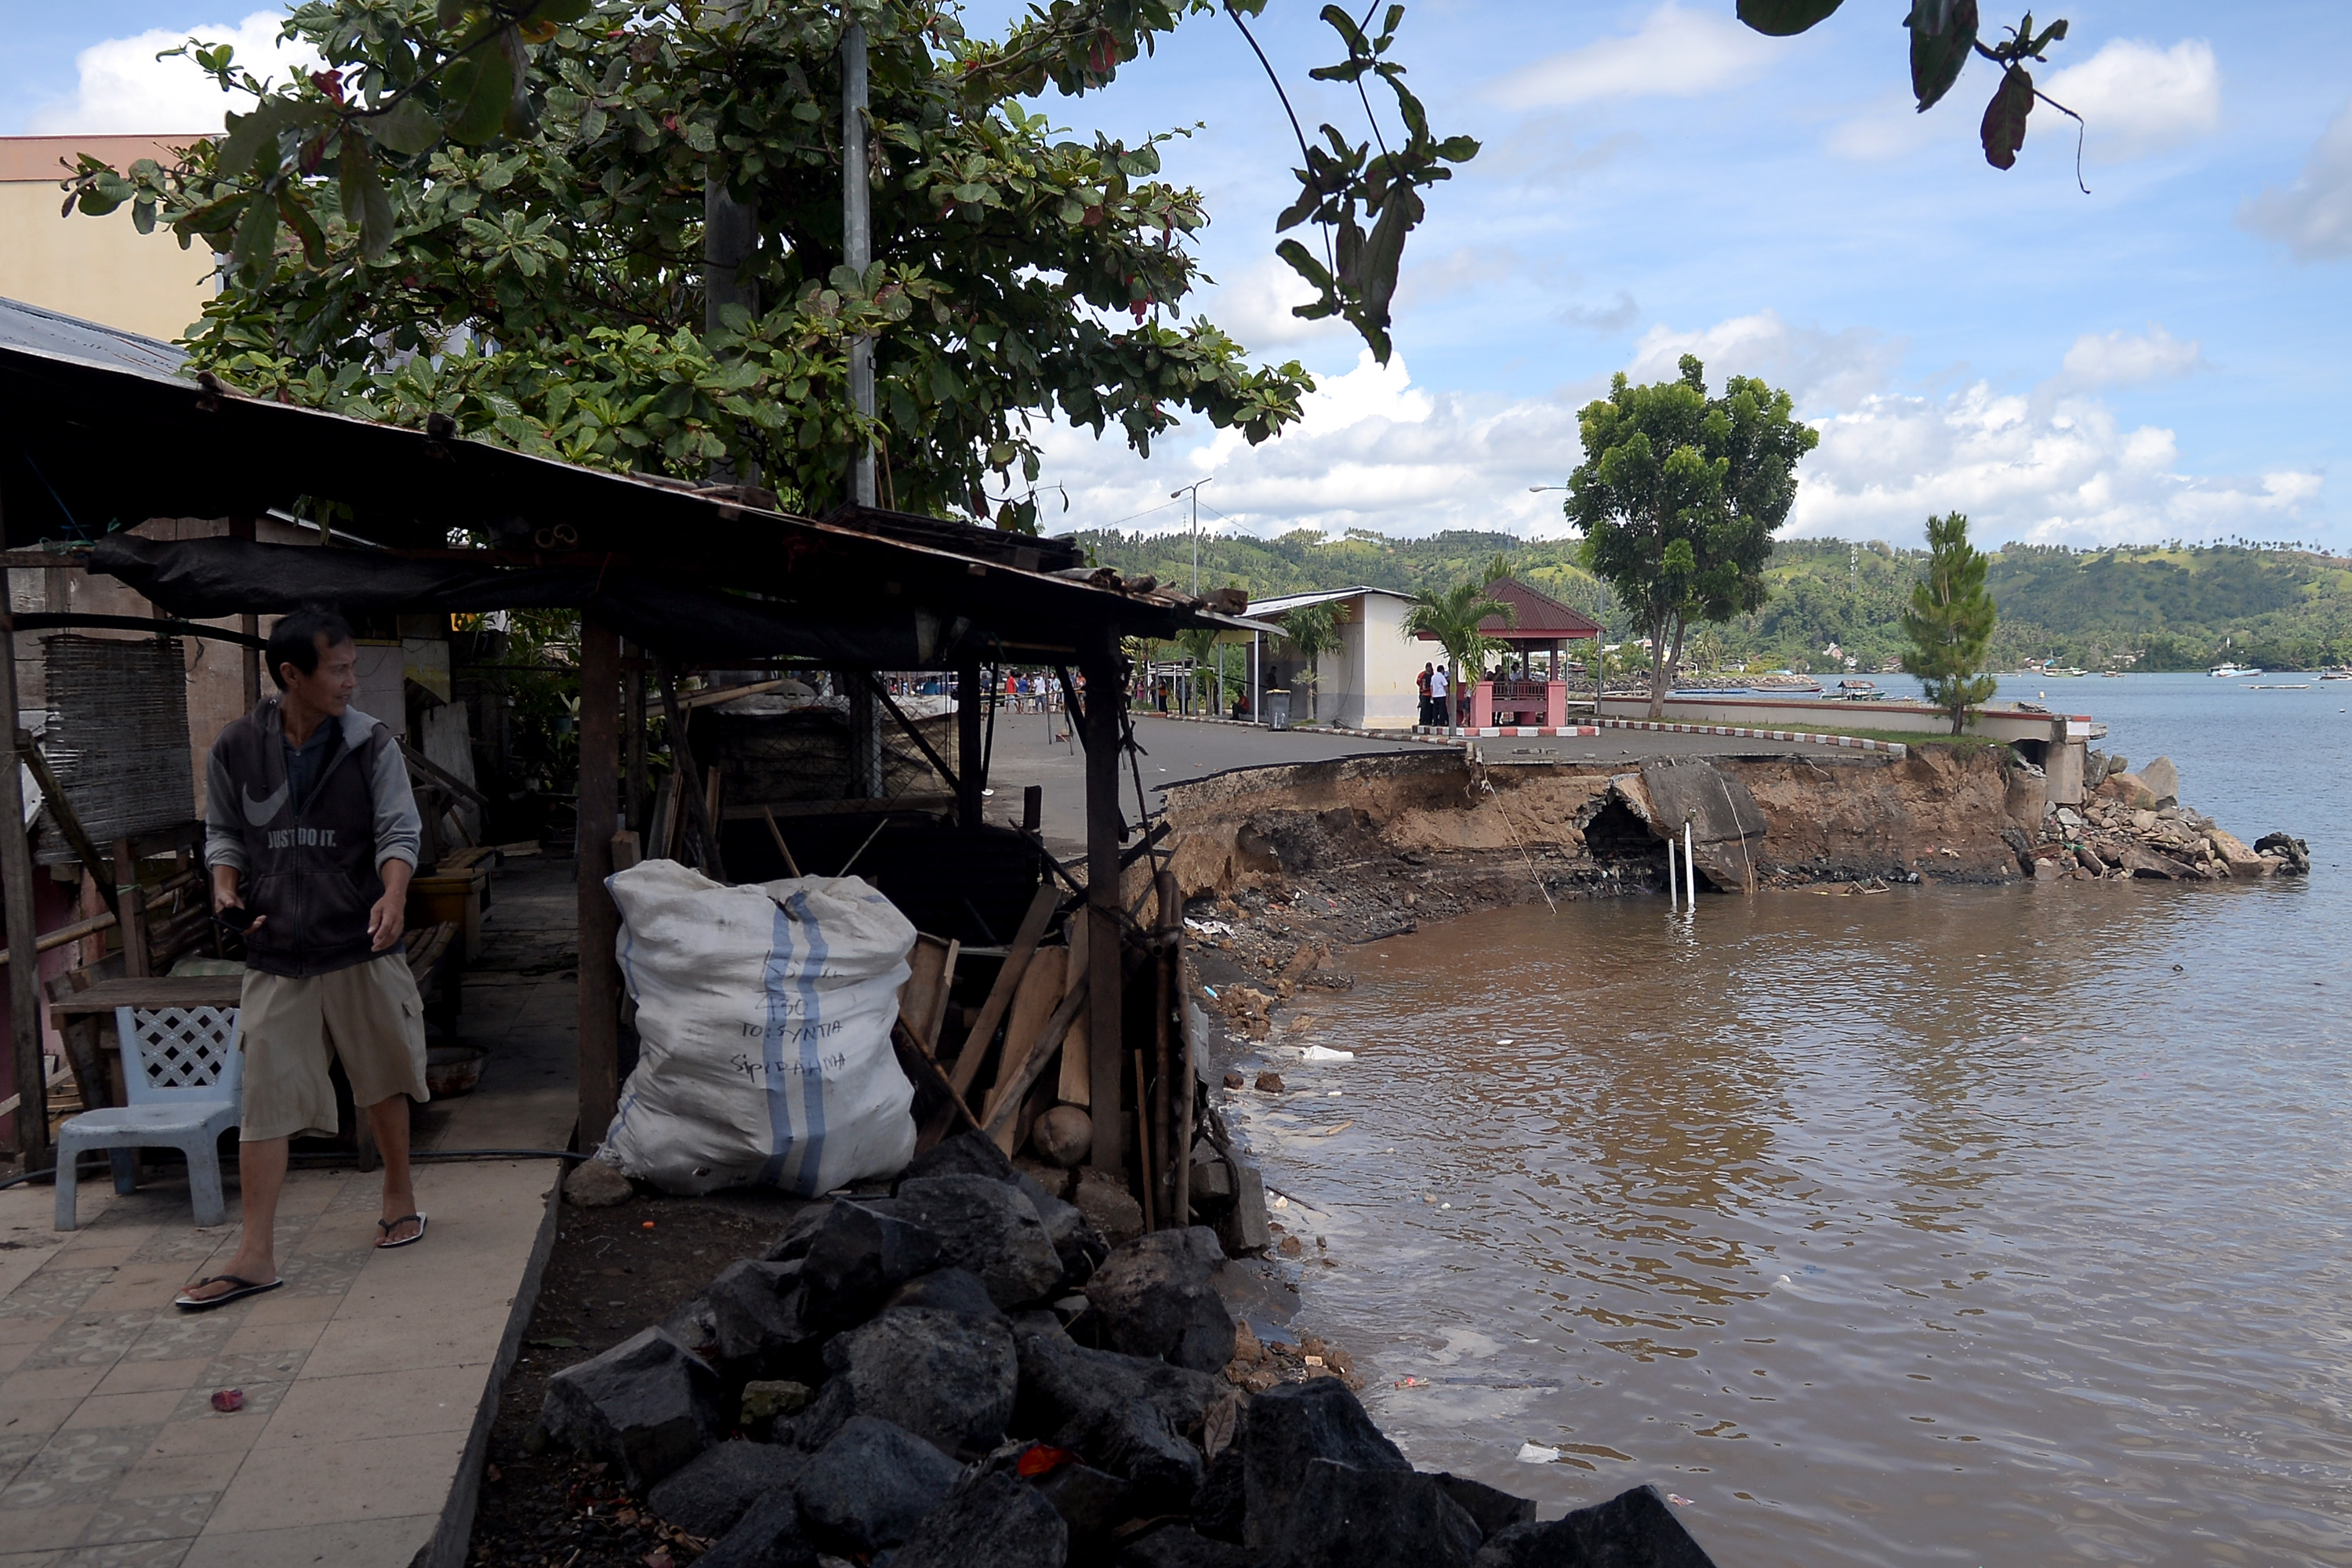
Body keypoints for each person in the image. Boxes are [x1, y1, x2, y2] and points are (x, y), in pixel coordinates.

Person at [176, 608, 430, 1309]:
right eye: (338, 669)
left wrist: (394, 895)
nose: (351, 681)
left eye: (352, 668)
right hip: (276, 949)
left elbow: (399, 829)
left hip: (359, 939)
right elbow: (224, 832)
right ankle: (255, 1254)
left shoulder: (370, 744)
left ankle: (398, 1192)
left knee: (381, 1074)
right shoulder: (236, 747)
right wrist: (224, 884)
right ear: (292, 675)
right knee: (265, 1097)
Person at [1430, 662, 1450, 728]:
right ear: (1442, 670)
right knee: (1442, 709)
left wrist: (1432, 695)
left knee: (1435, 709)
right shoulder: (1441, 676)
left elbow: (1431, 686)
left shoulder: (1433, 677)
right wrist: (1447, 692)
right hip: (1441, 695)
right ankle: (1442, 722)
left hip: (1435, 695)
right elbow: (1445, 685)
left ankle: (1435, 722)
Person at [1416, 662, 1433, 726]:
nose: (1429, 669)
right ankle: (1422, 720)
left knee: (1430, 708)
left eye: (1430, 667)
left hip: (1430, 694)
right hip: (1423, 694)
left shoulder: (1432, 675)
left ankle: (1429, 721)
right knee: (1424, 708)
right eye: (1428, 667)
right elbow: (1418, 682)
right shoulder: (1422, 674)